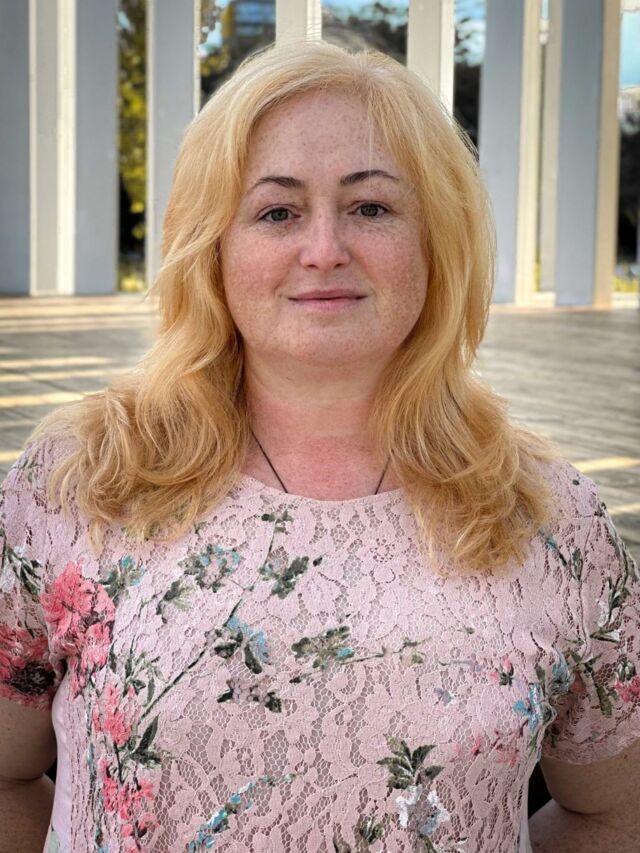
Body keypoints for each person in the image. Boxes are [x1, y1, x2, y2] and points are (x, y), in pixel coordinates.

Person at [0, 39, 638, 853]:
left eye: (371, 207)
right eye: (277, 212)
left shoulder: (548, 520)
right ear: (212, 246)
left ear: (437, 239)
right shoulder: (80, 484)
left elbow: (615, 810)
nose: (325, 248)